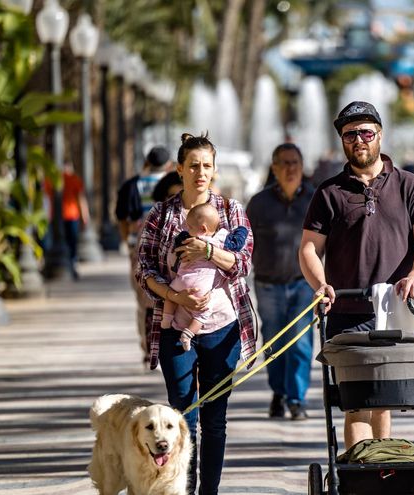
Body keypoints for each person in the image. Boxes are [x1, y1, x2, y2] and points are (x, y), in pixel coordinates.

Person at [299, 101, 414, 448]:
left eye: (366, 132)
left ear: (380, 135)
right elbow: (308, 249)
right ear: (342, 141)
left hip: (396, 311)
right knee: (357, 405)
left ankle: (384, 470)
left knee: (386, 400)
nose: (359, 140)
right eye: (350, 134)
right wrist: (321, 285)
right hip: (347, 313)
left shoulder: (409, 185)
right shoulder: (329, 192)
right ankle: (361, 475)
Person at [136, 132, 255, 495]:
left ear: (214, 170)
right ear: (179, 169)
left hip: (223, 327)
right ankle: (183, 489)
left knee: (215, 418)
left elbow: (243, 262)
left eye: (206, 166)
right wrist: (175, 295)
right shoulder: (162, 213)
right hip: (175, 325)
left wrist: (206, 251)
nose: (200, 172)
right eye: (193, 166)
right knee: (181, 415)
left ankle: (210, 491)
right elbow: (144, 269)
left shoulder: (232, 211)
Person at [246, 143, 316, 421]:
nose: (290, 169)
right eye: (283, 163)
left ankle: (296, 399)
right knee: (273, 343)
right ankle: (278, 392)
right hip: (267, 285)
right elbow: (244, 244)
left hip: (303, 284)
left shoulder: (314, 199)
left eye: (295, 163)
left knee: (299, 342)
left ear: (302, 168)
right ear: (273, 168)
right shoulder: (258, 203)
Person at [162, 202, 248, 352]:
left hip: (180, 282)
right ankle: (188, 334)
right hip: (201, 288)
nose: (187, 229)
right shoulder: (221, 239)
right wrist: (241, 230)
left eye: (189, 226)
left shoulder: (188, 239)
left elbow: (177, 243)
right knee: (204, 312)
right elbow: (237, 243)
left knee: (170, 297)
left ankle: (166, 320)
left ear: (202, 229)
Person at [116, 146, 172, 366]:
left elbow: (122, 216)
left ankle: (149, 346)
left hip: (139, 245)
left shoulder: (133, 185)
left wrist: (127, 243)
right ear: (168, 164)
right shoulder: (173, 181)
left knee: (144, 300)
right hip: (167, 246)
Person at [43, 161, 90, 279]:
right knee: (72, 243)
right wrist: (85, 216)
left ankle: (62, 265)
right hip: (71, 216)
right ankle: (71, 266)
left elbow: (47, 199)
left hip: (56, 217)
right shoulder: (73, 178)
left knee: (57, 242)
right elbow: (80, 199)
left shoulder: (51, 179)